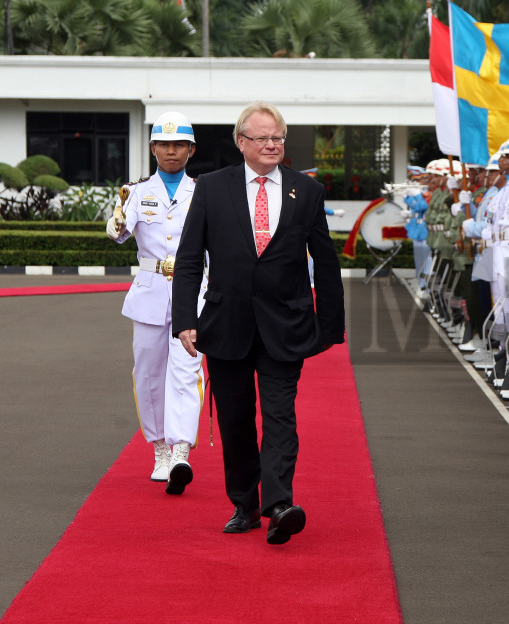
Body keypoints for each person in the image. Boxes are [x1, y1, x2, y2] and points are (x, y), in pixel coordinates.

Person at [172, 101, 346, 545]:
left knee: (280, 415)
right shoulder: (211, 188)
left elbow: (324, 263)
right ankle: (245, 504)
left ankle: (279, 504)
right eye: (263, 138)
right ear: (241, 142)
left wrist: (330, 326)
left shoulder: (306, 192)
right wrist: (185, 319)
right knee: (235, 419)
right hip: (225, 324)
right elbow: (189, 259)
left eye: (278, 138)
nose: (272, 145)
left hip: (285, 325)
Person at [106, 111, 205, 495]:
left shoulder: (203, 192)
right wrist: (115, 220)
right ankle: (160, 449)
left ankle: (181, 450)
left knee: (186, 369)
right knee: (148, 373)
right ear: (152, 148)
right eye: (163, 144)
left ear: (191, 149)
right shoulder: (137, 192)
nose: (171, 151)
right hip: (149, 290)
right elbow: (117, 233)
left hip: (191, 289)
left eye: (179, 144)